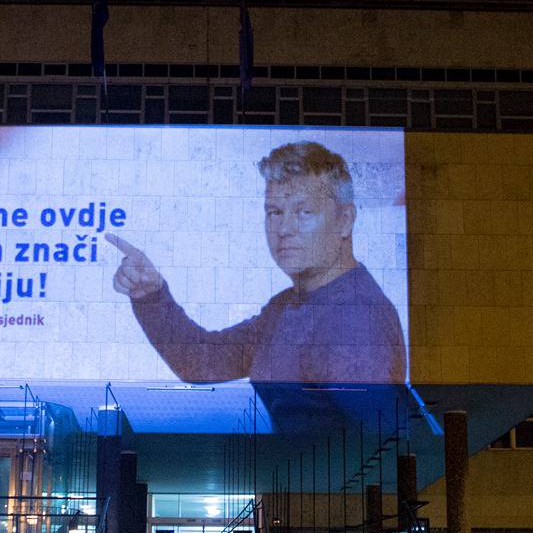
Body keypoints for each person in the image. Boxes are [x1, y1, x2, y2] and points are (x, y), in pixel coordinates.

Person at [106, 140, 405, 386]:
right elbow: (205, 363)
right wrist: (150, 295)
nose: (284, 228)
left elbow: (366, 443)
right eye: (274, 212)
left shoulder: (356, 319)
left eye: (303, 212)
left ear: (344, 220)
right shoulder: (288, 305)